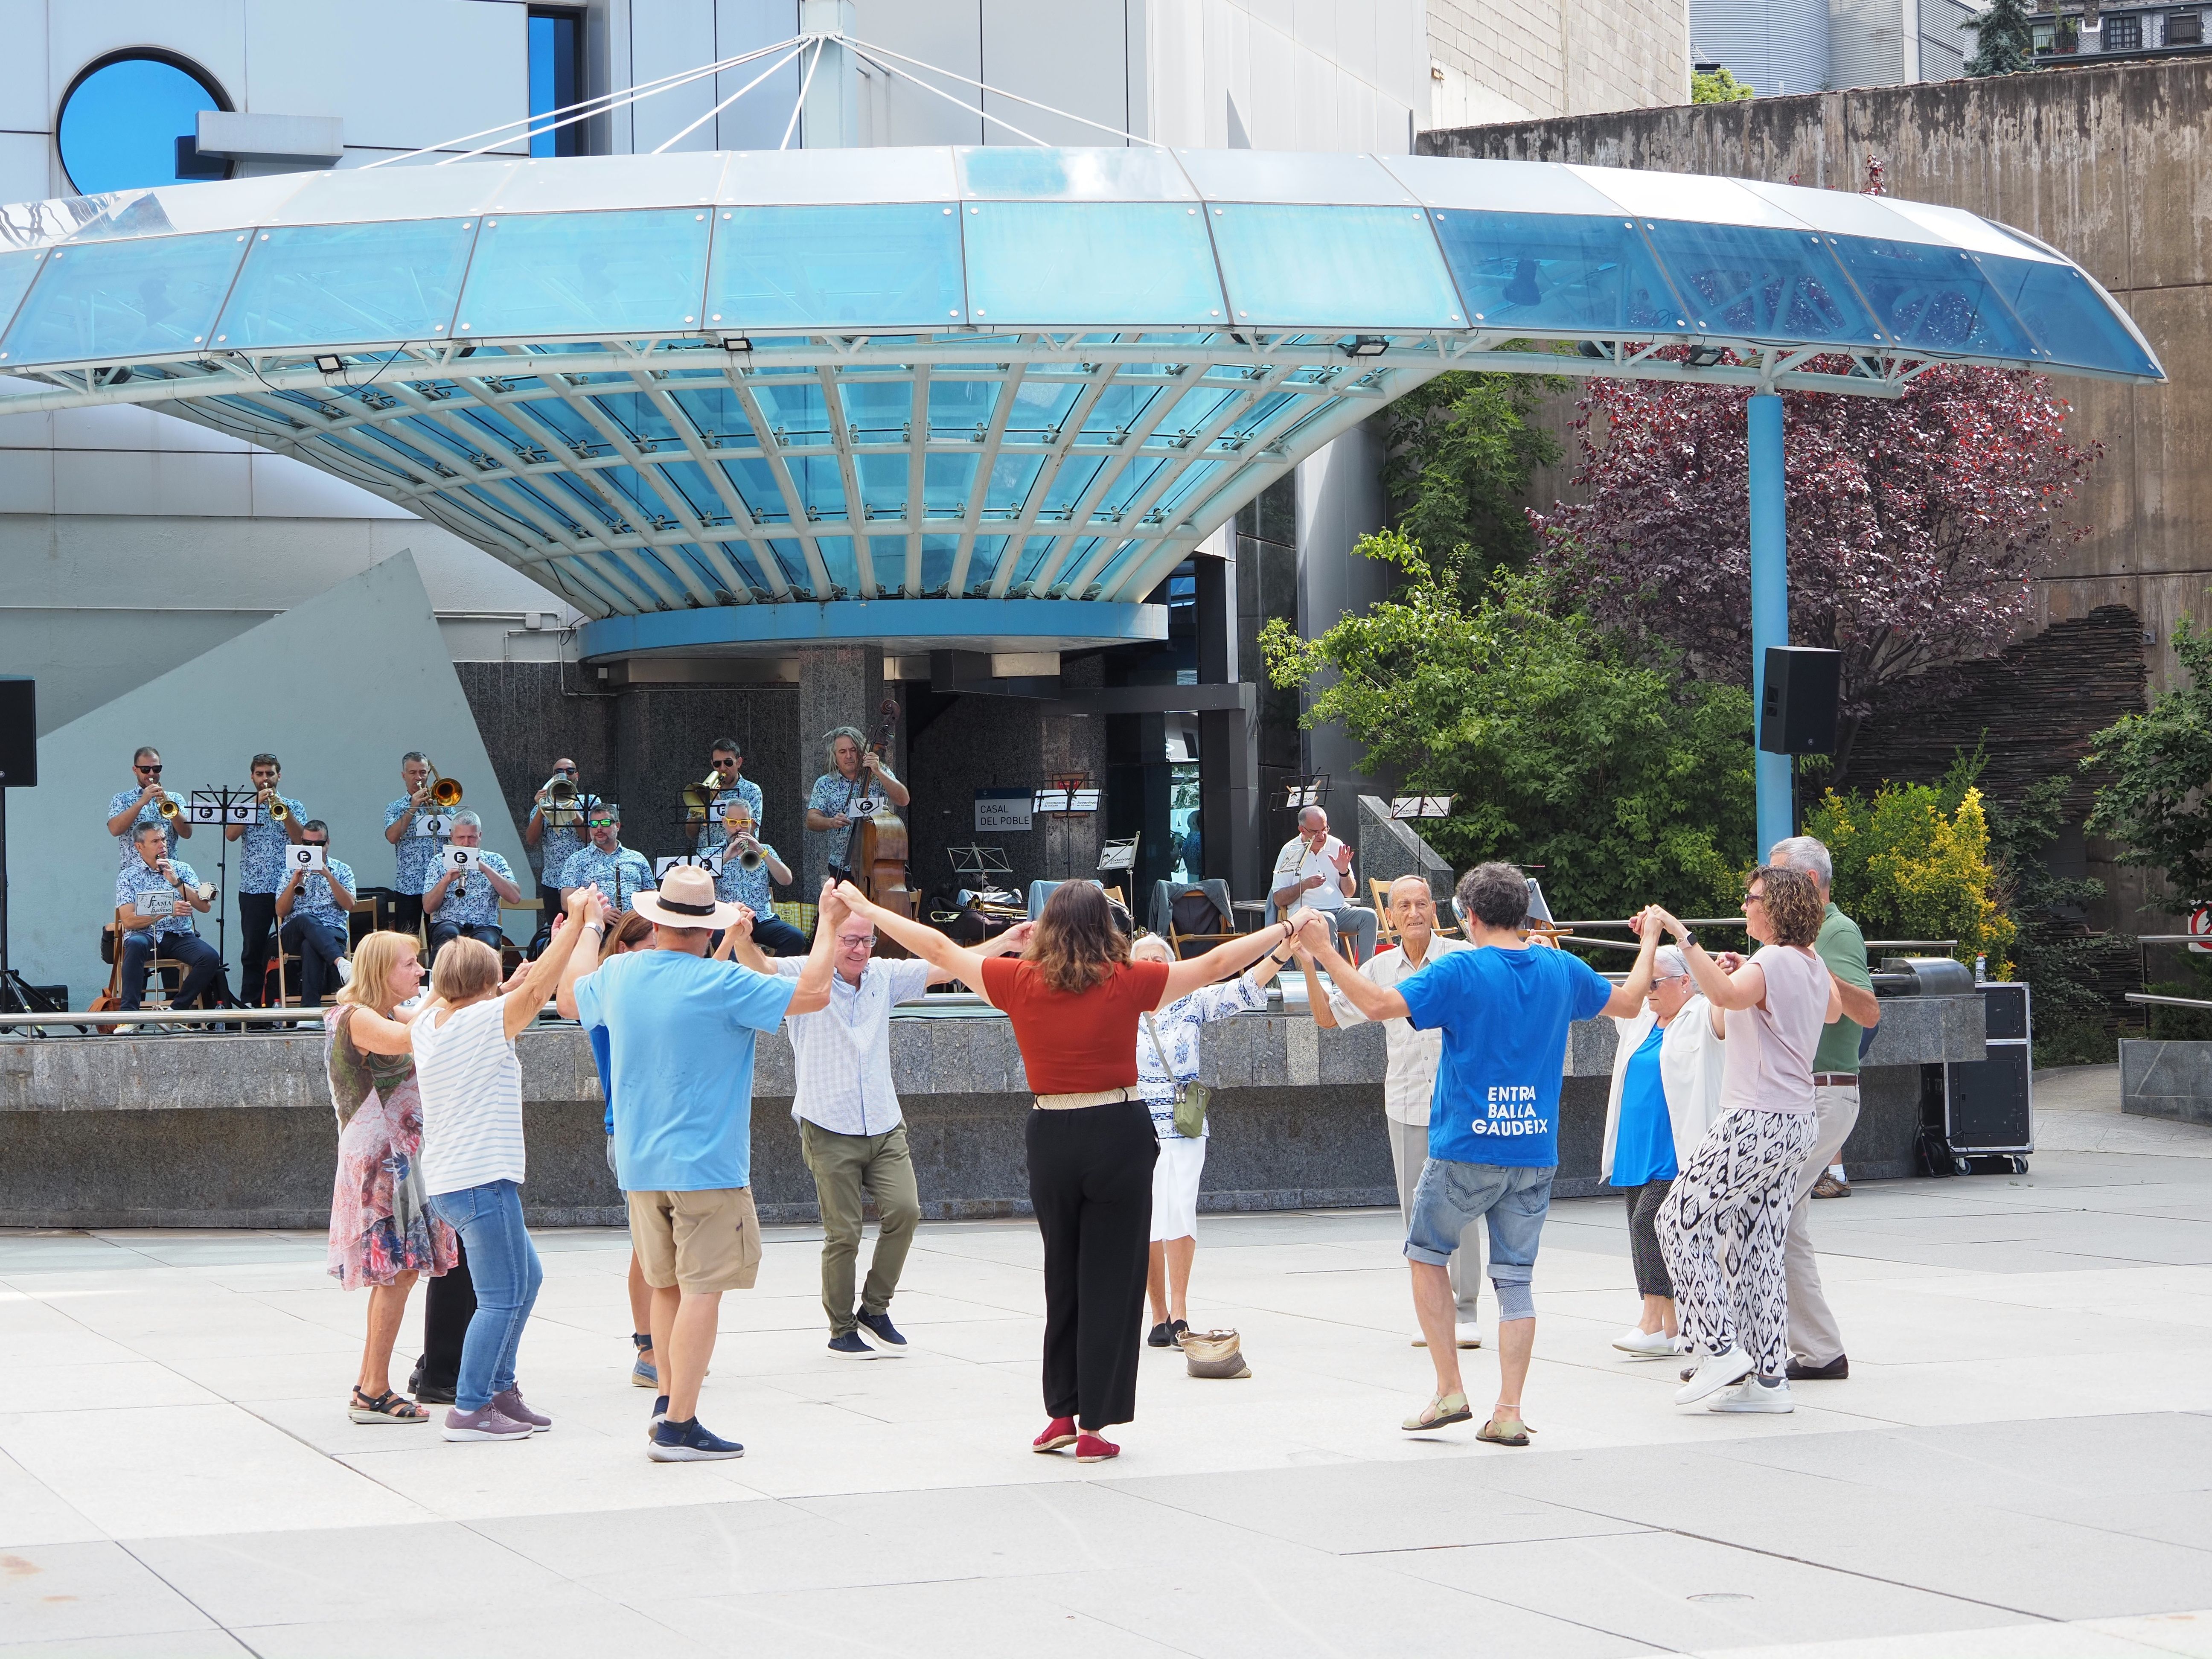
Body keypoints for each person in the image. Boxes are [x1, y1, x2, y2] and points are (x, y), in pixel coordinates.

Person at [830, 876, 1294, 1464]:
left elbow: (940, 949)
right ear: (1106, 928)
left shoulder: (1020, 981)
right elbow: (1217, 964)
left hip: (1052, 1132)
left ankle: (1060, 1416)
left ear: (1047, 928)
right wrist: (1286, 927)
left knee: (1064, 1275)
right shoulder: (1127, 979)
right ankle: (1095, 1426)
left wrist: (867, 907)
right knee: (1112, 1282)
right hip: (1119, 1130)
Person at [1296, 862, 1660, 1447]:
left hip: (1466, 1146)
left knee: (1425, 1255)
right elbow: (1633, 1001)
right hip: (1535, 1148)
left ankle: (1450, 1390)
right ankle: (1508, 1411)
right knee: (1515, 1282)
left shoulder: (1462, 968)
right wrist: (1649, 941)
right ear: (1523, 911)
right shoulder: (1561, 967)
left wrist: (1323, 951)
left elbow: (1379, 1004)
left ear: (1468, 916)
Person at [558, 867, 838, 1462]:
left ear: (656, 921)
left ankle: (667, 1402)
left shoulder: (621, 974)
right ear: (708, 928)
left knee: (665, 1287)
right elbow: (816, 994)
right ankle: (680, 1426)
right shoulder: (723, 983)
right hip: (708, 1166)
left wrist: (588, 926)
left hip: (640, 1162)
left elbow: (565, 999)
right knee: (703, 1290)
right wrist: (831, 925)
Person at [343, 888, 603, 1441]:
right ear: (487, 984)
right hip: (478, 1180)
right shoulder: (479, 1023)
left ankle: (500, 1390)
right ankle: (471, 1407)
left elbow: (511, 994)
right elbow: (538, 991)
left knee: (525, 1279)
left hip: (464, 1180)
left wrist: (530, 967)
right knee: (501, 1296)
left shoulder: (432, 1026)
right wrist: (579, 928)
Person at [726, 900, 1030, 1359]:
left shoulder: (883, 975)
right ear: (830, 937)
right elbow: (762, 968)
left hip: (885, 1123)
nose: (859, 949)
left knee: (906, 1211)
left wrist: (1006, 941)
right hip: (828, 1124)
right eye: (849, 940)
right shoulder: (804, 972)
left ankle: (874, 1308)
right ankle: (841, 1328)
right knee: (844, 1233)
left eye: (866, 940)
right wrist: (743, 938)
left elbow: (947, 964)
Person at [1652, 865, 1842, 1415]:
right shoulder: (1809, 962)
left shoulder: (1774, 960)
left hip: (1755, 1118)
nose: (1744, 906)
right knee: (1759, 1248)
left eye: (1752, 898)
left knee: (1676, 1222)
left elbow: (1726, 998)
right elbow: (1828, 1010)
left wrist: (1683, 937)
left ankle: (1718, 1347)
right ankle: (1769, 1379)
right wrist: (1741, 973)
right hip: (1795, 1121)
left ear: (1776, 907)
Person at [1298, 875, 1481, 1348]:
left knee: (1463, 1204)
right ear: (1391, 916)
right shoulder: (1379, 969)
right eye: (1404, 906)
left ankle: (1466, 1311)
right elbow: (1327, 1017)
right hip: (1405, 1102)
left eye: (1422, 904)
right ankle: (1433, 1311)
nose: (1414, 913)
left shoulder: (1462, 958)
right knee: (1417, 1212)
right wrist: (1310, 966)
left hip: (1459, 1103)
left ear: (1435, 910)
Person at [324, 930, 459, 1424]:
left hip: (393, 1158)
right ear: (382, 971)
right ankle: (373, 1389)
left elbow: (426, 1022)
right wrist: (447, 986)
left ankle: (369, 1386)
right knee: (397, 1273)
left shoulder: (380, 1012)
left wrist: (500, 990)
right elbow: (411, 1038)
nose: (420, 971)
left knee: (397, 1273)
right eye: (411, 964)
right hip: (380, 1164)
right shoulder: (358, 1017)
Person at [1129, 931, 1286, 1349]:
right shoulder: (1121, 1005)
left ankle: (1179, 1311)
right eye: (1144, 960)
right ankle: (1157, 1314)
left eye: (1160, 959)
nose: (1153, 966)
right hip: (1137, 1124)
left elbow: (1244, 989)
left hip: (1184, 1123)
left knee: (1180, 1210)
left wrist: (1283, 952)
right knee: (1147, 1217)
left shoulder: (1192, 1000)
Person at [1766, 835, 1883, 1382]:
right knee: (1781, 1217)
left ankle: (1757, 1346)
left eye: (1776, 876)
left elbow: (1866, 1011)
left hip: (1821, 1092)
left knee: (1767, 1210)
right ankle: (1817, 1350)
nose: (1767, 888)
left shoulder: (1834, 932)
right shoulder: (1798, 938)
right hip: (1803, 1094)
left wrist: (1808, 967)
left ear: (1809, 881)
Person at [1600, 944, 1725, 1359]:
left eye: (1655, 983)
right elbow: (1601, 995)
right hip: (1637, 1146)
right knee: (1640, 1230)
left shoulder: (1701, 1014)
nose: (1647, 991)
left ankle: (1653, 1322)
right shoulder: (1640, 1018)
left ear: (1685, 982)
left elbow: (1729, 1007)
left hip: (1677, 1149)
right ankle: (1671, 1325)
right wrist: (1548, 955)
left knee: (1648, 1225)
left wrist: (1723, 975)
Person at [582, 910, 661, 1388]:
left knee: (664, 1245)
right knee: (648, 1247)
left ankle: (664, 1344)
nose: (659, 959)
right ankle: (647, 1349)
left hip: (658, 1132)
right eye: (650, 949)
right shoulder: (608, 994)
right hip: (630, 1132)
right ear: (622, 952)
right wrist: (587, 927)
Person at [114, 821, 223, 1018]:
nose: (162, 845)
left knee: (210, 958)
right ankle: (129, 1016)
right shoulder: (128, 876)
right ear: (139, 847)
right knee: (134, 944)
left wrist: (176, 882)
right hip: (145, 935)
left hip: (179, 935)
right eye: (155, 841)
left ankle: (175, 1012)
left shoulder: (182, 869)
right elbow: (129, 921)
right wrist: (167, 910)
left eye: (163, 839)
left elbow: (205, 907)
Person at [226, 752, 307, 1006]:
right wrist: (253, 805)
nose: (265, 779)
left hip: (288, 887)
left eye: (270, 774)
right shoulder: (243, 806)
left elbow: (301, 840)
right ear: (252, 777)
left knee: (290, 946)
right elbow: (231, 835)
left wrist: (285, 812)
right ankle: (251, 1003)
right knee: (253, 948)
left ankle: (286, 999)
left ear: (278, 776)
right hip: (254, 888)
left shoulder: (294, 805)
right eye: (260, 774)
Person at [1271, 806, 1375, 963]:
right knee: (1327, 920)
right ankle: (1333, 974)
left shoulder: (1336, 845)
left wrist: (1344, 872)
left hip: (1340, 909)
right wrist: (1304, 885)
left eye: (1325, 829)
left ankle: (1366, 972)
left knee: (1369, 916)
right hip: (1308, 913)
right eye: (1315, 832)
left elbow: (1349, 893)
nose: (1322, 836)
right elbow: (1278, 899)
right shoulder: (1290, 850)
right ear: (1302, 830)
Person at [806, 726, 909, 882]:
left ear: (861, 751)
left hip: (878, 863)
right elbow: (811, 820)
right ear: (834, 756)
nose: (849, 756)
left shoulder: (879, 772)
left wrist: (879, 772)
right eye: (842, 752)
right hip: (841, 866)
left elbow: (903, 800)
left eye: (853, 750)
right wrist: (831, 822)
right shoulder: (825, 783)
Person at [423, 810, 524, 963]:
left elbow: (515, 898)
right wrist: (447, 880)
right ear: (452, 836)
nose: (466, 843)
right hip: (447, 924)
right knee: (449, 936)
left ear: (480, 836)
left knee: (483, 944)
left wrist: (485, 868)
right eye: (461, 838)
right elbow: (428, 908)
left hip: (485, 926)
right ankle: (440, 978)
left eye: (472, 837)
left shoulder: (495, 860)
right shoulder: (438, 862)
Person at [276, 821, 356, 1009]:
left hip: (332, 931)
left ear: (328, 843)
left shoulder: (342, 869)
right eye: (307, 844)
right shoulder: (290, 869)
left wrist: (329, 876)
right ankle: (341, 963)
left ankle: (309, 1013)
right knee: (306, 919)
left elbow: (350, 905)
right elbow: (280, 911)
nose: (312, 848)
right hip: (295, 931)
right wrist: (294, 883)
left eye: (318, 844)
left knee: (310, 944)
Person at [710, 801, 806, 955]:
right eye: (733, 822)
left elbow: (787, 880)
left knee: (796, 938)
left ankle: (769, 970)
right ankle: (739, 971)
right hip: (728, 919)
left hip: (761, 919)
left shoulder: (766, 850)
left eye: (744, 823)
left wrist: (762, 852)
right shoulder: (712, 853)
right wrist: (725, 858)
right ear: (724, 822)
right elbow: (701, 887)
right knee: (719, 937)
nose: (738, 828)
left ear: (752, 823)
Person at [525, 758, 600, 927]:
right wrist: (541, 808)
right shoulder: (544, 803)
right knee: (558, 929)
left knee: (588, 927)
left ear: (577, 776)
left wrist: (570, 805)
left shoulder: (590, 802)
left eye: (569, 771)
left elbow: (590, 838)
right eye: (559, 771)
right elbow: (531, 839)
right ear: (553, 776)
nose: (565, 774)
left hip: (585, 878)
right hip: (553, 880)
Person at [383, 752, 451, 938]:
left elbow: (457, 836)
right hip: (408, 884)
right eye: (413, 773)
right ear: (404, 776)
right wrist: (413, 808)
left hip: (439, 883)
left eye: (423, 772)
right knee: (406, 939)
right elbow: (392, 837)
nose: (418, 778)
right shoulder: (395, 807)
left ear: (428, 773)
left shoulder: (444, 802)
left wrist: (438, 811)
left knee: (441, 939)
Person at [105, 745, 192, 869]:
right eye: (146, 769)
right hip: (135, 874)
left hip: (168, 872)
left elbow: (187, 833)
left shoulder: (175, 798)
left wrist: (170, 807)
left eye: (156, 769)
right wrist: (141, 803)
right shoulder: (121, 799)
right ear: (135, 770)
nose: (152, 774)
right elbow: (114, 830)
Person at [556, 804, 654, 912]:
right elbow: (566, 903)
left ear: (617, 826)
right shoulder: (576, 860)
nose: (599, 828)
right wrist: (600, 915)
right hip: (595, 922)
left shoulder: (637, 858)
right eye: (594, 824)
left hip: (633, 921)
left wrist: (633, 918)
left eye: (605, 823)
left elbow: (652, 897)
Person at [687, 737, 764, 853]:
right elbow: (690, 834)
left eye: (728, 762)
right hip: (706, 857)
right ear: (712, 764)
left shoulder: (752, 790)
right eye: (717, 763)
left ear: (739, 763)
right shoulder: (704, 790)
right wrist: (697, 811)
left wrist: (718, 802)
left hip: (737, 858)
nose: (723, 768)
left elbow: (750, 831)